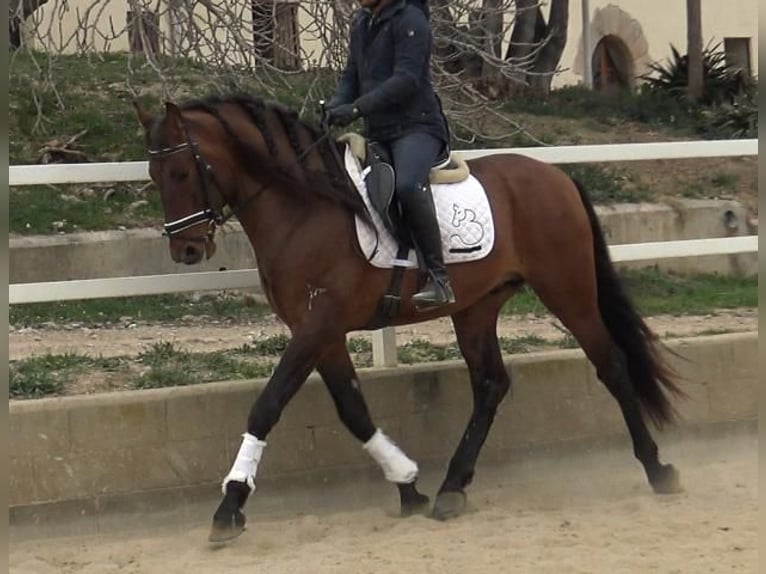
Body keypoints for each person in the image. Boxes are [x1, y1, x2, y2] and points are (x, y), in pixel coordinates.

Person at [325, 0, 455, 310]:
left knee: (408, 185)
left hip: (417, 127)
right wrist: (334, 107)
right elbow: (351, 78)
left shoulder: (410, 19)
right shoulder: (362, 23)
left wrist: (356, 108)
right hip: (379, 132)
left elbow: (406, 80)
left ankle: (438, 279)